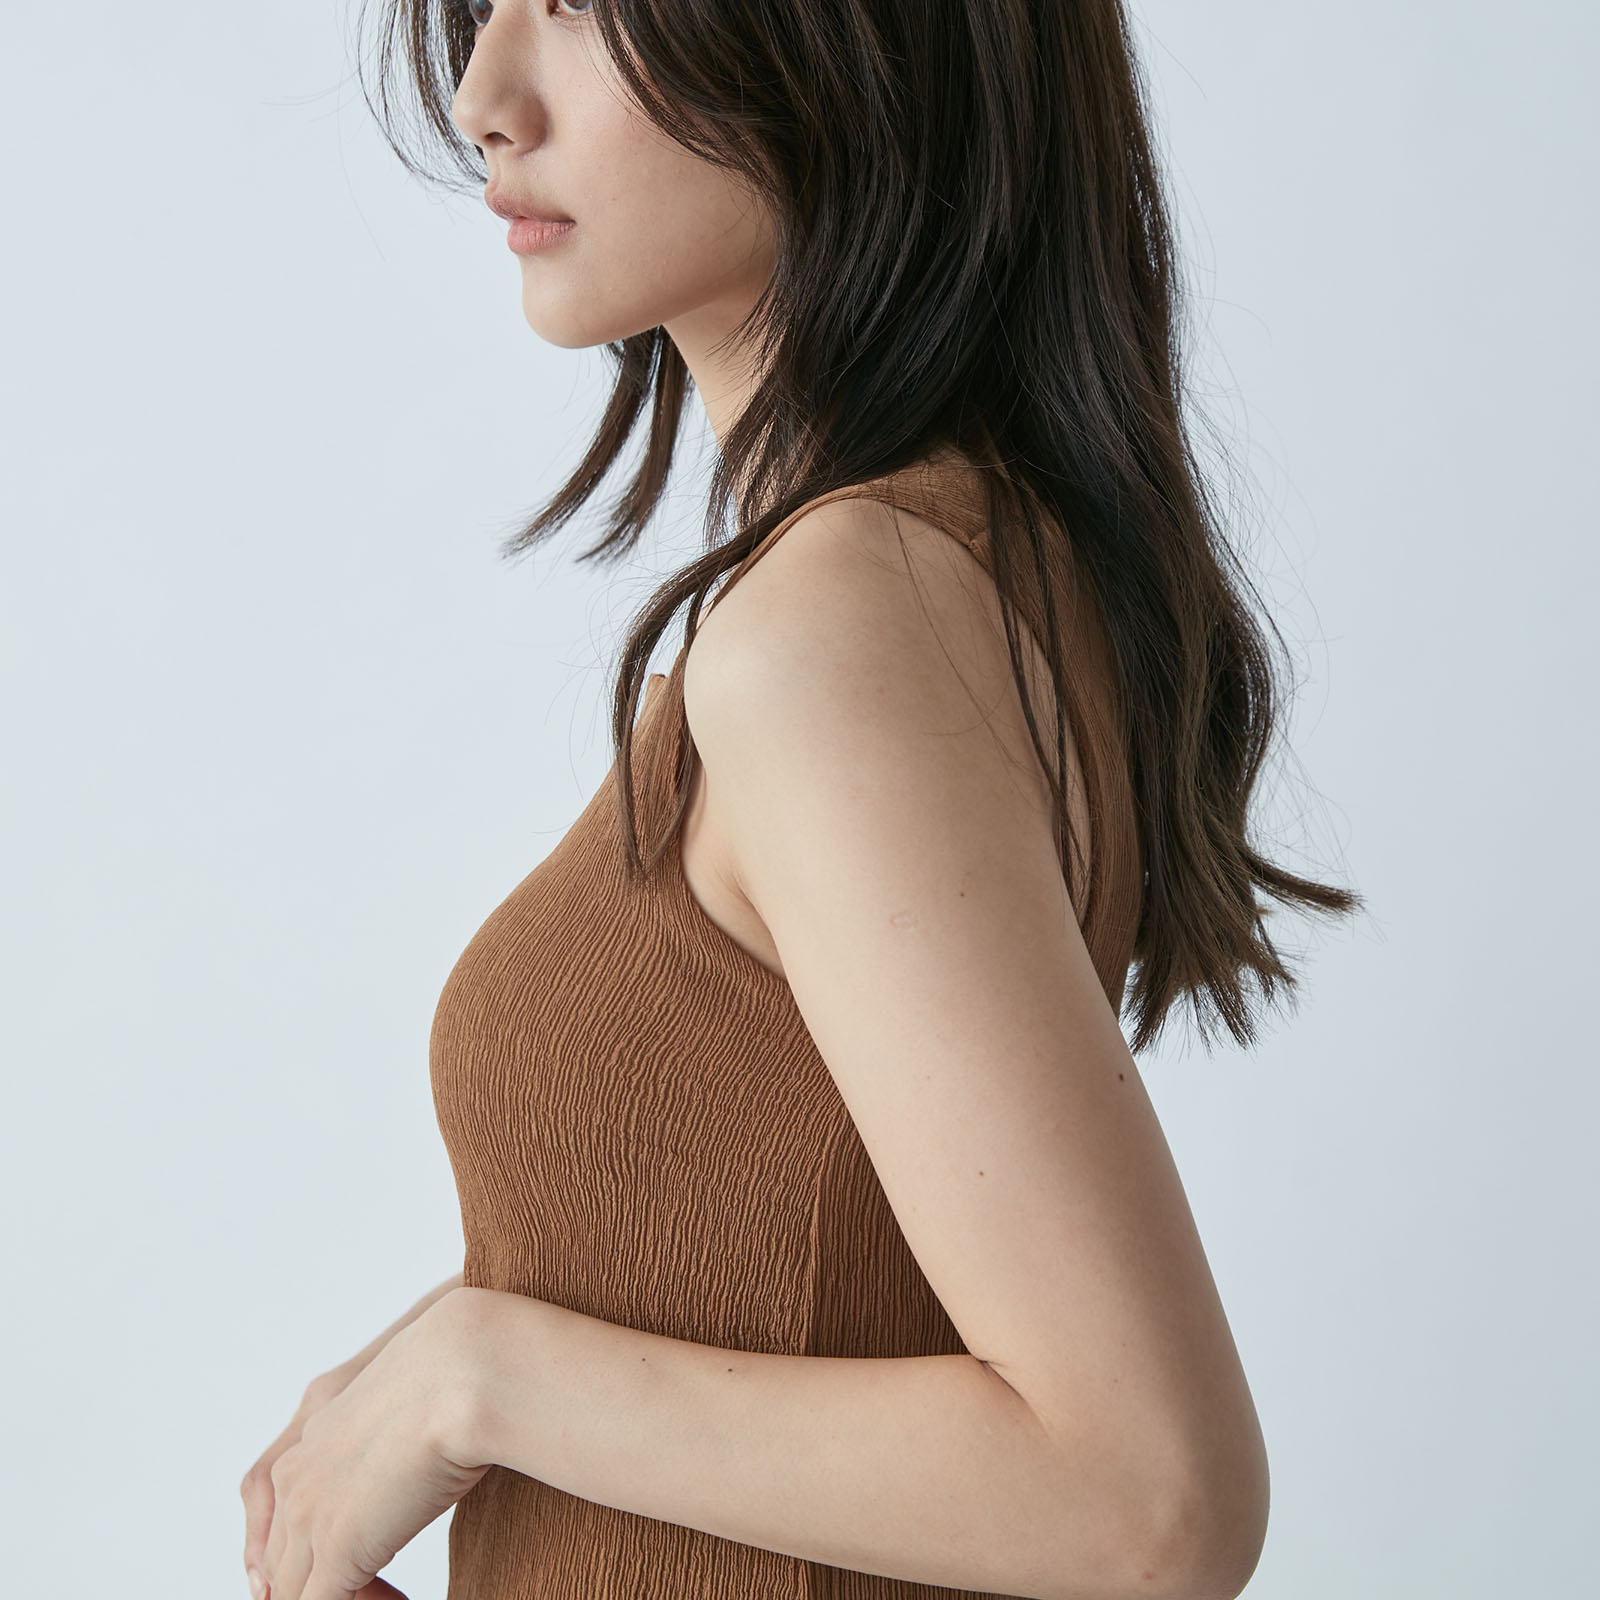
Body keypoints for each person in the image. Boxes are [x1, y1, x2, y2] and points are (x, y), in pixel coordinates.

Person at [240, 1, 1361, 1597]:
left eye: (583, 7)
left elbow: (1149, 1499)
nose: (484, 97)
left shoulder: (844, 628)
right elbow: (800, 1267)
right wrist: (438, 1378)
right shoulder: (947, 569)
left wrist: (476, 1380)